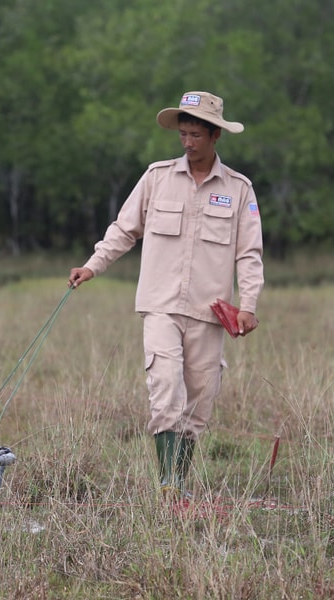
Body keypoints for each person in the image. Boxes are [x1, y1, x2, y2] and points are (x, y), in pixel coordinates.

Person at [68, 91, 263, 497]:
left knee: (199, 403)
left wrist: (249, 305)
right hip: (160, 305)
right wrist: (92, 266)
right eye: (183, 134)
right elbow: (124, 229)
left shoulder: (240, 190)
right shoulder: (156, 177)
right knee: (165, 387)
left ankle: (180, 482)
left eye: (195, 135)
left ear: (215, 137)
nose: (188, 143)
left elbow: (249, 253)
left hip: (209, 312)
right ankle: (168, 486)